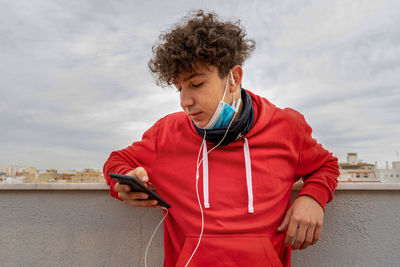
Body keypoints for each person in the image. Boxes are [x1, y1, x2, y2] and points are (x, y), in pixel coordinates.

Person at [103, 10, 340, 267]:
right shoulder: (166, 133)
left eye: (196, 84)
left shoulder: (286, 127)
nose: (184, 101)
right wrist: (126, 185)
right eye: (179, 88)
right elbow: (117, 161)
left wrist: (313, 197)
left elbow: (326, 165)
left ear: (233, 78)